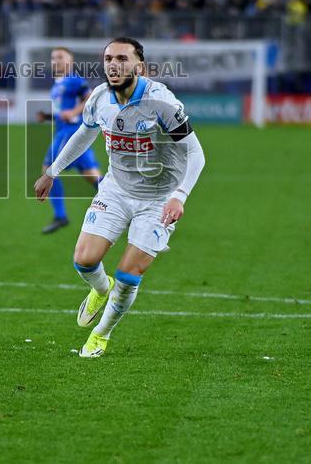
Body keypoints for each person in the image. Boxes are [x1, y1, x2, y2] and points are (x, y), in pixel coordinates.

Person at [34, 37, 206, 358]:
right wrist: (52, 172)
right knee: (84, 260)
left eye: (122, 59)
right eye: (109, 59)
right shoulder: (100, 98)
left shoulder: (161, 101)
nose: (114, 65)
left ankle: (101, 334)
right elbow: (83, 134)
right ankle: (102, 289)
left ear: (139, 64)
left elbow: (195, 154)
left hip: (158, 199)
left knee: (128, 275)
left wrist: (179, 196)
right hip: (116, 189)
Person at [37, 47, 102, 234]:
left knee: (48, 171)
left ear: (70, 61)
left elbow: (90, 98)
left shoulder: (73, 80)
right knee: (94, 177)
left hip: (69, 133)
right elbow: (63, 112)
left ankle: (60, 216)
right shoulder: (57, 85)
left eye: (60, 57)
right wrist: (48, 117)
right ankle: (129, 208)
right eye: (53, 57)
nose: (55, 60)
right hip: (72, 132)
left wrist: (74, 112)